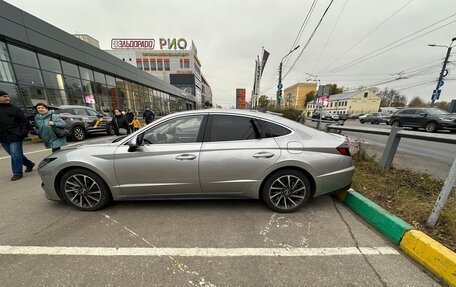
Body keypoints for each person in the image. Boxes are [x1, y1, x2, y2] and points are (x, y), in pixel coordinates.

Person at [0, 89, 35, 181]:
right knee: (15, 154)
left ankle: (17, 172)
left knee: (15, 155)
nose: (7, 98)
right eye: (4, 96)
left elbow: (25, 122)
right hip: (3, 138)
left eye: (7, 96)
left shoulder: (15, 109)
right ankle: (29, 164)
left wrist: (22, 133)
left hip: (15, 136)